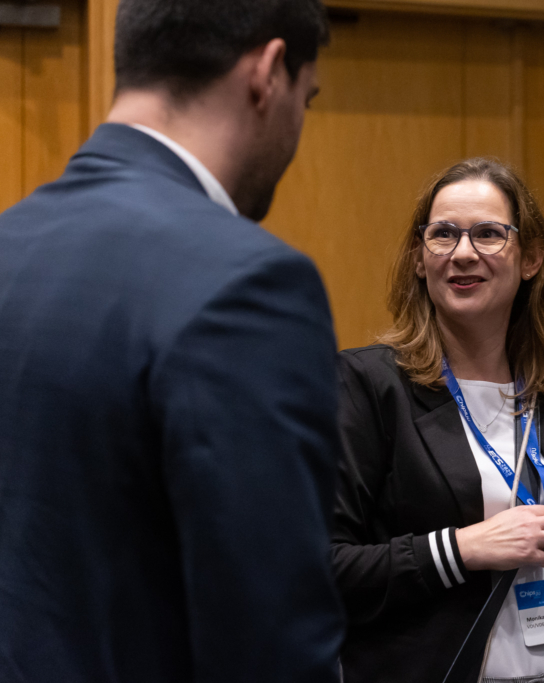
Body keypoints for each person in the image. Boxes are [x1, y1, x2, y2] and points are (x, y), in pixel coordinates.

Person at [0, 1, 345, 681]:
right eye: (306, 99)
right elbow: (270, 640)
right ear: (268, 72)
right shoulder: (248, 284)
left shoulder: (11, 243)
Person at [331, 158, 544, 683]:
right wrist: (461, 549)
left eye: (489, 234)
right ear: (419, 259)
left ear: (532, 258)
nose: (463, 253)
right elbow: (327, 567)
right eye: (443, 234)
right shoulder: (369, 385)